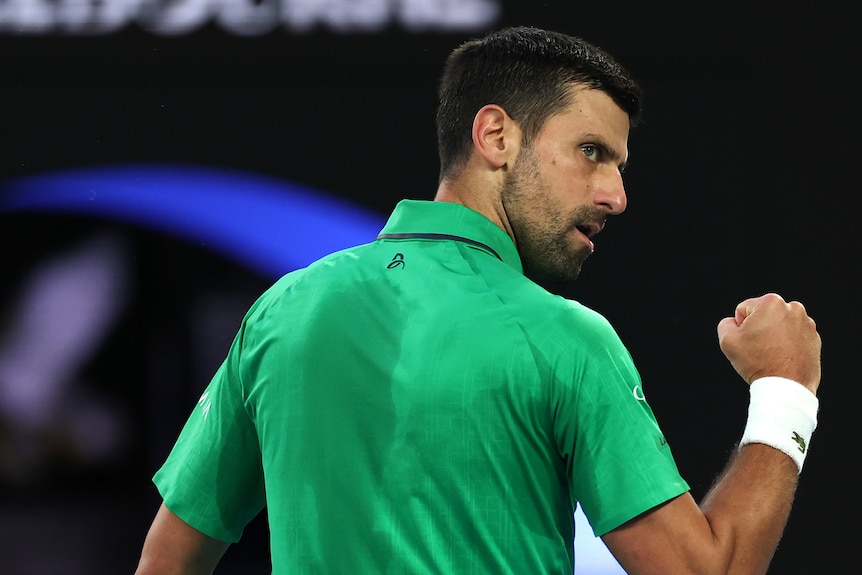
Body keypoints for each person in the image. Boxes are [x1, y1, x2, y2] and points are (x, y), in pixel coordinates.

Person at [134, 26, 822, 574]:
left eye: (618, 164)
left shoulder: (281, 311)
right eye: (590, 152)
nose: (616, 195)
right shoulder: (566, 340)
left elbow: (165, 561)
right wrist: (785, 388)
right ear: (496, 135)